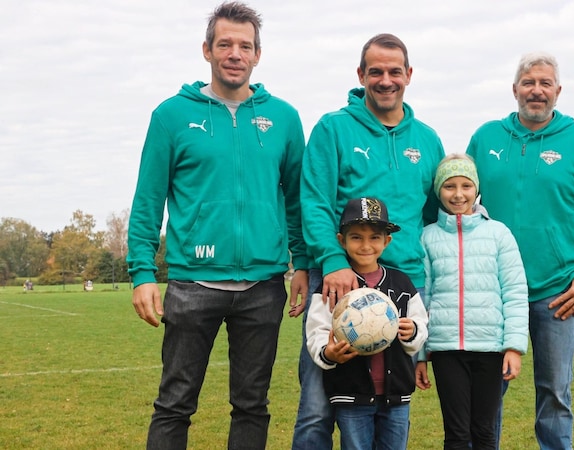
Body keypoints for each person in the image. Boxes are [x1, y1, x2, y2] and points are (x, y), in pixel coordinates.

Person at [126, 2, 308, 448]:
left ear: (257, 55)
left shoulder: (283, 118)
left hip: (264, 287)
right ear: (206, 49)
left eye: (245, 46)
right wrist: (142, 272)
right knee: (174, 405)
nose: (235, 53)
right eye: (225, 43)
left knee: (252, 407)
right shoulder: (170, 115)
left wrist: (301, 262)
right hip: (192, 286)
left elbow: (298, 201)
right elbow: (148, 200)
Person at [292, 33, 445, 449]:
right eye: (375, 71)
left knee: (390, 405)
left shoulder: (428, 140)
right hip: (340, 281)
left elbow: (433, 217)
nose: (385, 79)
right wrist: (327, 261)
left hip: (403, 287)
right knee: (318, 410)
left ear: (409, 75)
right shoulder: (333, 129)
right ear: (360, 75)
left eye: (395, 71)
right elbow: (316, 202)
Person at [466, 52, 574, 450]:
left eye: (545, 83)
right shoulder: (486, 139)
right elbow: (458, 199)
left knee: (554, 392)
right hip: (495, 292)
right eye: (529, 82)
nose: (537, 90)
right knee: (487, 393)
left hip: (558, 292)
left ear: (558, 91)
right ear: (515, 89)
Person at [414, 154, 529, 449]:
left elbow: (515, 292)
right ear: (439, 190)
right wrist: (421, 354)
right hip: (446, 349)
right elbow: (421, 300)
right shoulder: (427, 237)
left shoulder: (499, 234)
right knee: (456, 434)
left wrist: (513, 347)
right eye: (449, 186)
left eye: (466, 185)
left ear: (475, 189)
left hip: (490, 348)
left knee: (484, 431)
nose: (458, 194)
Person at [306, 197, 428, 450]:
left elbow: (421, 323)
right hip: (352, 394)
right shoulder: (333, 285)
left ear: (387, 240)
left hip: (396, 396)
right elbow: (317, 330)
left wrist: (412, 332)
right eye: (356, 237)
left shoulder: (402, 284)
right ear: (342, 240)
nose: (365, 245)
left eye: (374, 237)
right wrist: (329, 353)